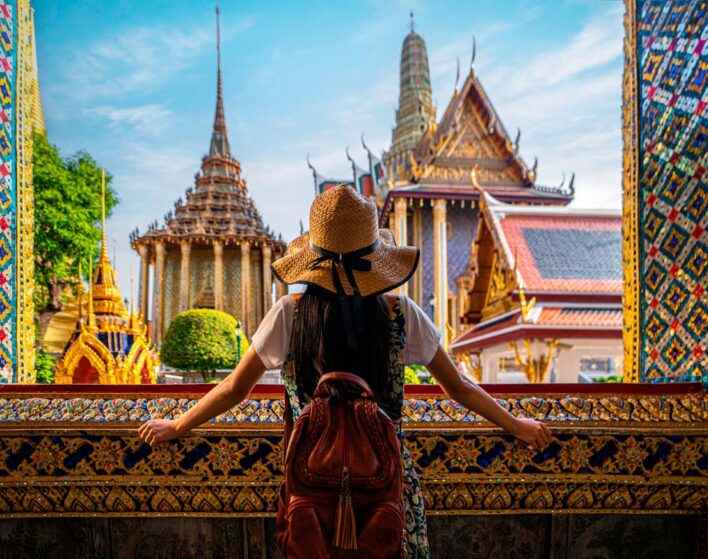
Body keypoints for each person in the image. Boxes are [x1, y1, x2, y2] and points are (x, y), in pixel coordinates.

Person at [139, 185, 551, 558]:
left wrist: (177, 426)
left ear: (312, 259)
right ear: (375, 258)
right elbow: (458, 387)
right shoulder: (400, 314)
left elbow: (233, 389)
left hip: (310, 477)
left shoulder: (290, 314)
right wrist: (516, 425)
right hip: (385, 481)